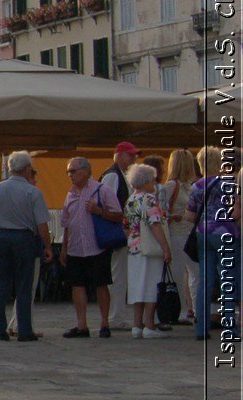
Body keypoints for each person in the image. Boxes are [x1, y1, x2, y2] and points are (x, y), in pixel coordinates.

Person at [0, 152, 51, 341]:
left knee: (0, 285)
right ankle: (25, 330)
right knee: (24, 285)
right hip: (24, 238)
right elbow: (42, 225)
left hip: (1, 236)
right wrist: (48, 246)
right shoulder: (33, 192)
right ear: (27, 168)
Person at [59, 156, 122, 338]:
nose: (70, 175)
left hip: (97, 247)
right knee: (77, 285)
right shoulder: (69, 194)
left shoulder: (102, 190)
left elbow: (118, 215)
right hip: (75, 249)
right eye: (68, 171)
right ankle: (82, 325)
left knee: (101, 284)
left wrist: (99, 211)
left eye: (74, 170)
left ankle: (104, 323)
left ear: (86, 171)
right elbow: (66, 224)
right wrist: (64, 248)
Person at [187, 145, 240, 341]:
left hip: (202, 232)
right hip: (225, 233)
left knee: (205, 281)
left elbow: (190, 215)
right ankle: (230, 328)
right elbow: (235, 212)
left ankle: (201, 328)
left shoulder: (197, 186)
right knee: (227, 281)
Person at [121, 164, 173, 339]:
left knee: (137, 286)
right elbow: (155, 225)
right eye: (152, 179)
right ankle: (149, 325)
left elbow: (125, 226)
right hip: (150, 249)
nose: (154, 183)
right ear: (145, 181)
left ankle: (137, 325)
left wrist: (133, 239)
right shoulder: (150, 200)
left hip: (134, 248)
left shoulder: (130, 201)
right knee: (152, 285)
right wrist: (166, 247)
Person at [99, 141, 138, 329]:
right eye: (131, 155)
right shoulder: (113, 176)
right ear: (120, 155)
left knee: (119, 274)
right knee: (117, 275)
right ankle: (116, 316)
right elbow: (107, 203)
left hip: (119, 231)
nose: (134, 159)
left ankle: (117, 315)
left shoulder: (118, 175)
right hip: (116, 233)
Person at [162, 148, 201, 323]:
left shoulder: (189, 186)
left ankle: (192, 309)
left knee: (194, 273)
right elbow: (160, 212)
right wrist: (174, 216)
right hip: (177, 234)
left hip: (188, 233)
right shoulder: (172, 186)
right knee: (181, 274)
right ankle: (182, 310)